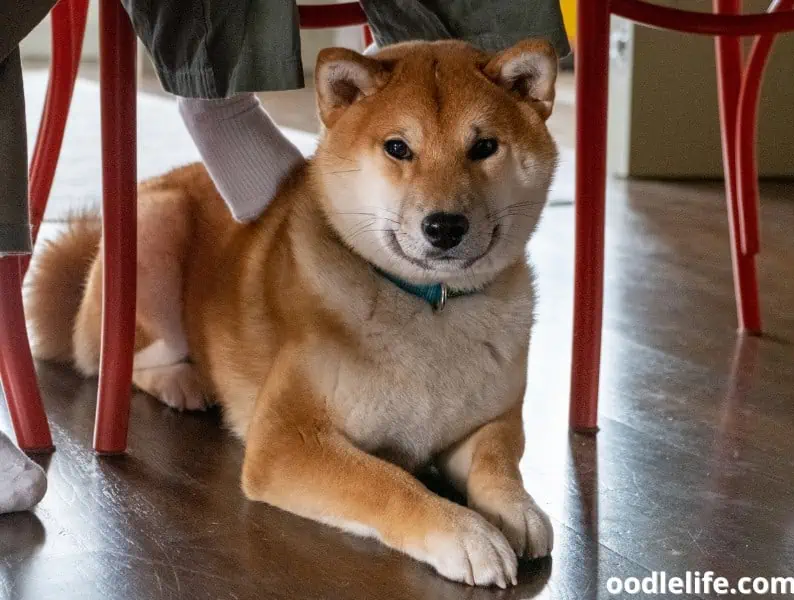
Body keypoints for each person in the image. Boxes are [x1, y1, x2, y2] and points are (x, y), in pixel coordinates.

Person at [0, 0, 568, 509]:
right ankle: (237, 129)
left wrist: (497, 479)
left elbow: (489, 423)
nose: (445, 198)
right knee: (168, 225)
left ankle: (322, 144)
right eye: (399, 149)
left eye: (483, 149)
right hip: (188, 289)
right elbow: (278, 461)